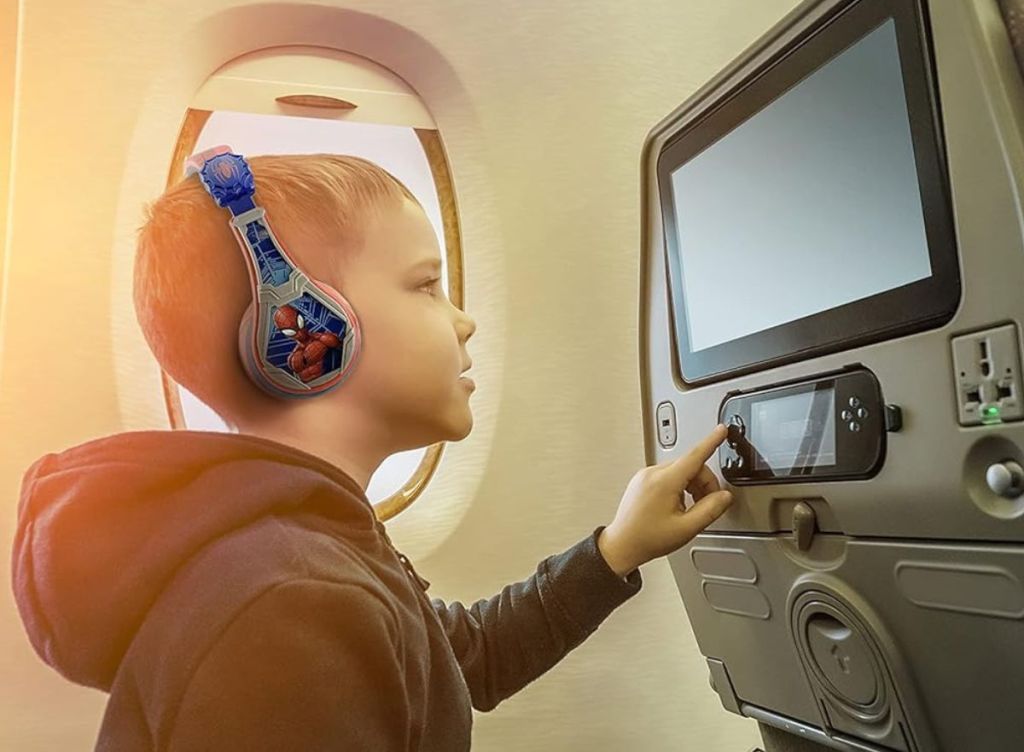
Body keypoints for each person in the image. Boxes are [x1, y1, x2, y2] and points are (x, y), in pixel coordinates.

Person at [10, 150, 734, 751]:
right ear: (301, 333)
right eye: (426, 285)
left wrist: (617, 548)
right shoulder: (293, 604)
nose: (465, 321)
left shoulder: (311, 544)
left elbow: (465, 658)